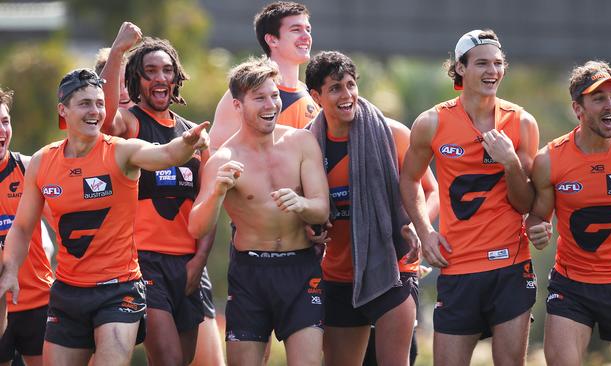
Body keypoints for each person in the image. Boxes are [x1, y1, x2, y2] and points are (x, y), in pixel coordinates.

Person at [0, 68, 208, 366]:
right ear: (63, 110)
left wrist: (186, 144)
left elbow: (164, 155)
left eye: (100, 103)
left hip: (118, 289)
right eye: (85, 103)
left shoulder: (121, 152)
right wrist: (10, 271)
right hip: (68, 292)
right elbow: (21, 228)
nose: (95, 111)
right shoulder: (43, 162)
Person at [399, 29, 540, 366]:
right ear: (460, 68)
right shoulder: (431, 122)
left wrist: (509, 163)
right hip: (457, 266)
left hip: (510, 266)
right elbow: (408, 179)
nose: (492, 71)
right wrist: (424, 231)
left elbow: (526, 203)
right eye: (481, 63)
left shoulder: (521, 123)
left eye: (497, 63)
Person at [188, 56, 329, 366]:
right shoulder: (223, 158)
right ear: (238, 106)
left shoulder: (302, 142)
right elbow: (197, 227)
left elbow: (321, 210)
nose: (271, 105)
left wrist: (302, 204)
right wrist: (216, 192)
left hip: (301, 270)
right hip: (250, 275)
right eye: (259, 98)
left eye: (274, 95)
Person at [304, 50, 437, 366]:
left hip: (391, 270)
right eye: (335, 88)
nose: (347, 94)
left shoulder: (393, 135)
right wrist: (307, 226)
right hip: (337, 274)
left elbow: (432, 192)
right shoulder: (306, 143)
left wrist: (419, 226)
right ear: (316, 95)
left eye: (351, 84)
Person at [100, 23, 217, 366]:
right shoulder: (130, 123)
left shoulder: (194, 135)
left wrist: (199, 261)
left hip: (187, 265)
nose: (159, 78)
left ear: (176, 78)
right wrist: (119, 51)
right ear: (136, 81)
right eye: (149, 72)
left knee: (182, 360)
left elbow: (209, 205)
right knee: (167, 360)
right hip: (144, 262)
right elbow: (105, 121)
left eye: (167, 70)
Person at [526, 60, 611, 366]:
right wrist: (537, 230)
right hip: (572, 285)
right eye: (599, 99)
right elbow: (537, 218)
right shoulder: (550, 160)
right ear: (578, 109)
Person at [209, 1, 318, 151]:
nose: (306, 36)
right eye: (296, 30)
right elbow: (214, 150)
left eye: (308, 29)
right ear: (272, 39)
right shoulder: (245, 90)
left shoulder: (311, 95)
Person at [0, 87, 54, 366]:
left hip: (38, 304)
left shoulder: (28, 168)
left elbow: (63, 223)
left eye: (5, 121)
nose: (1, 130)